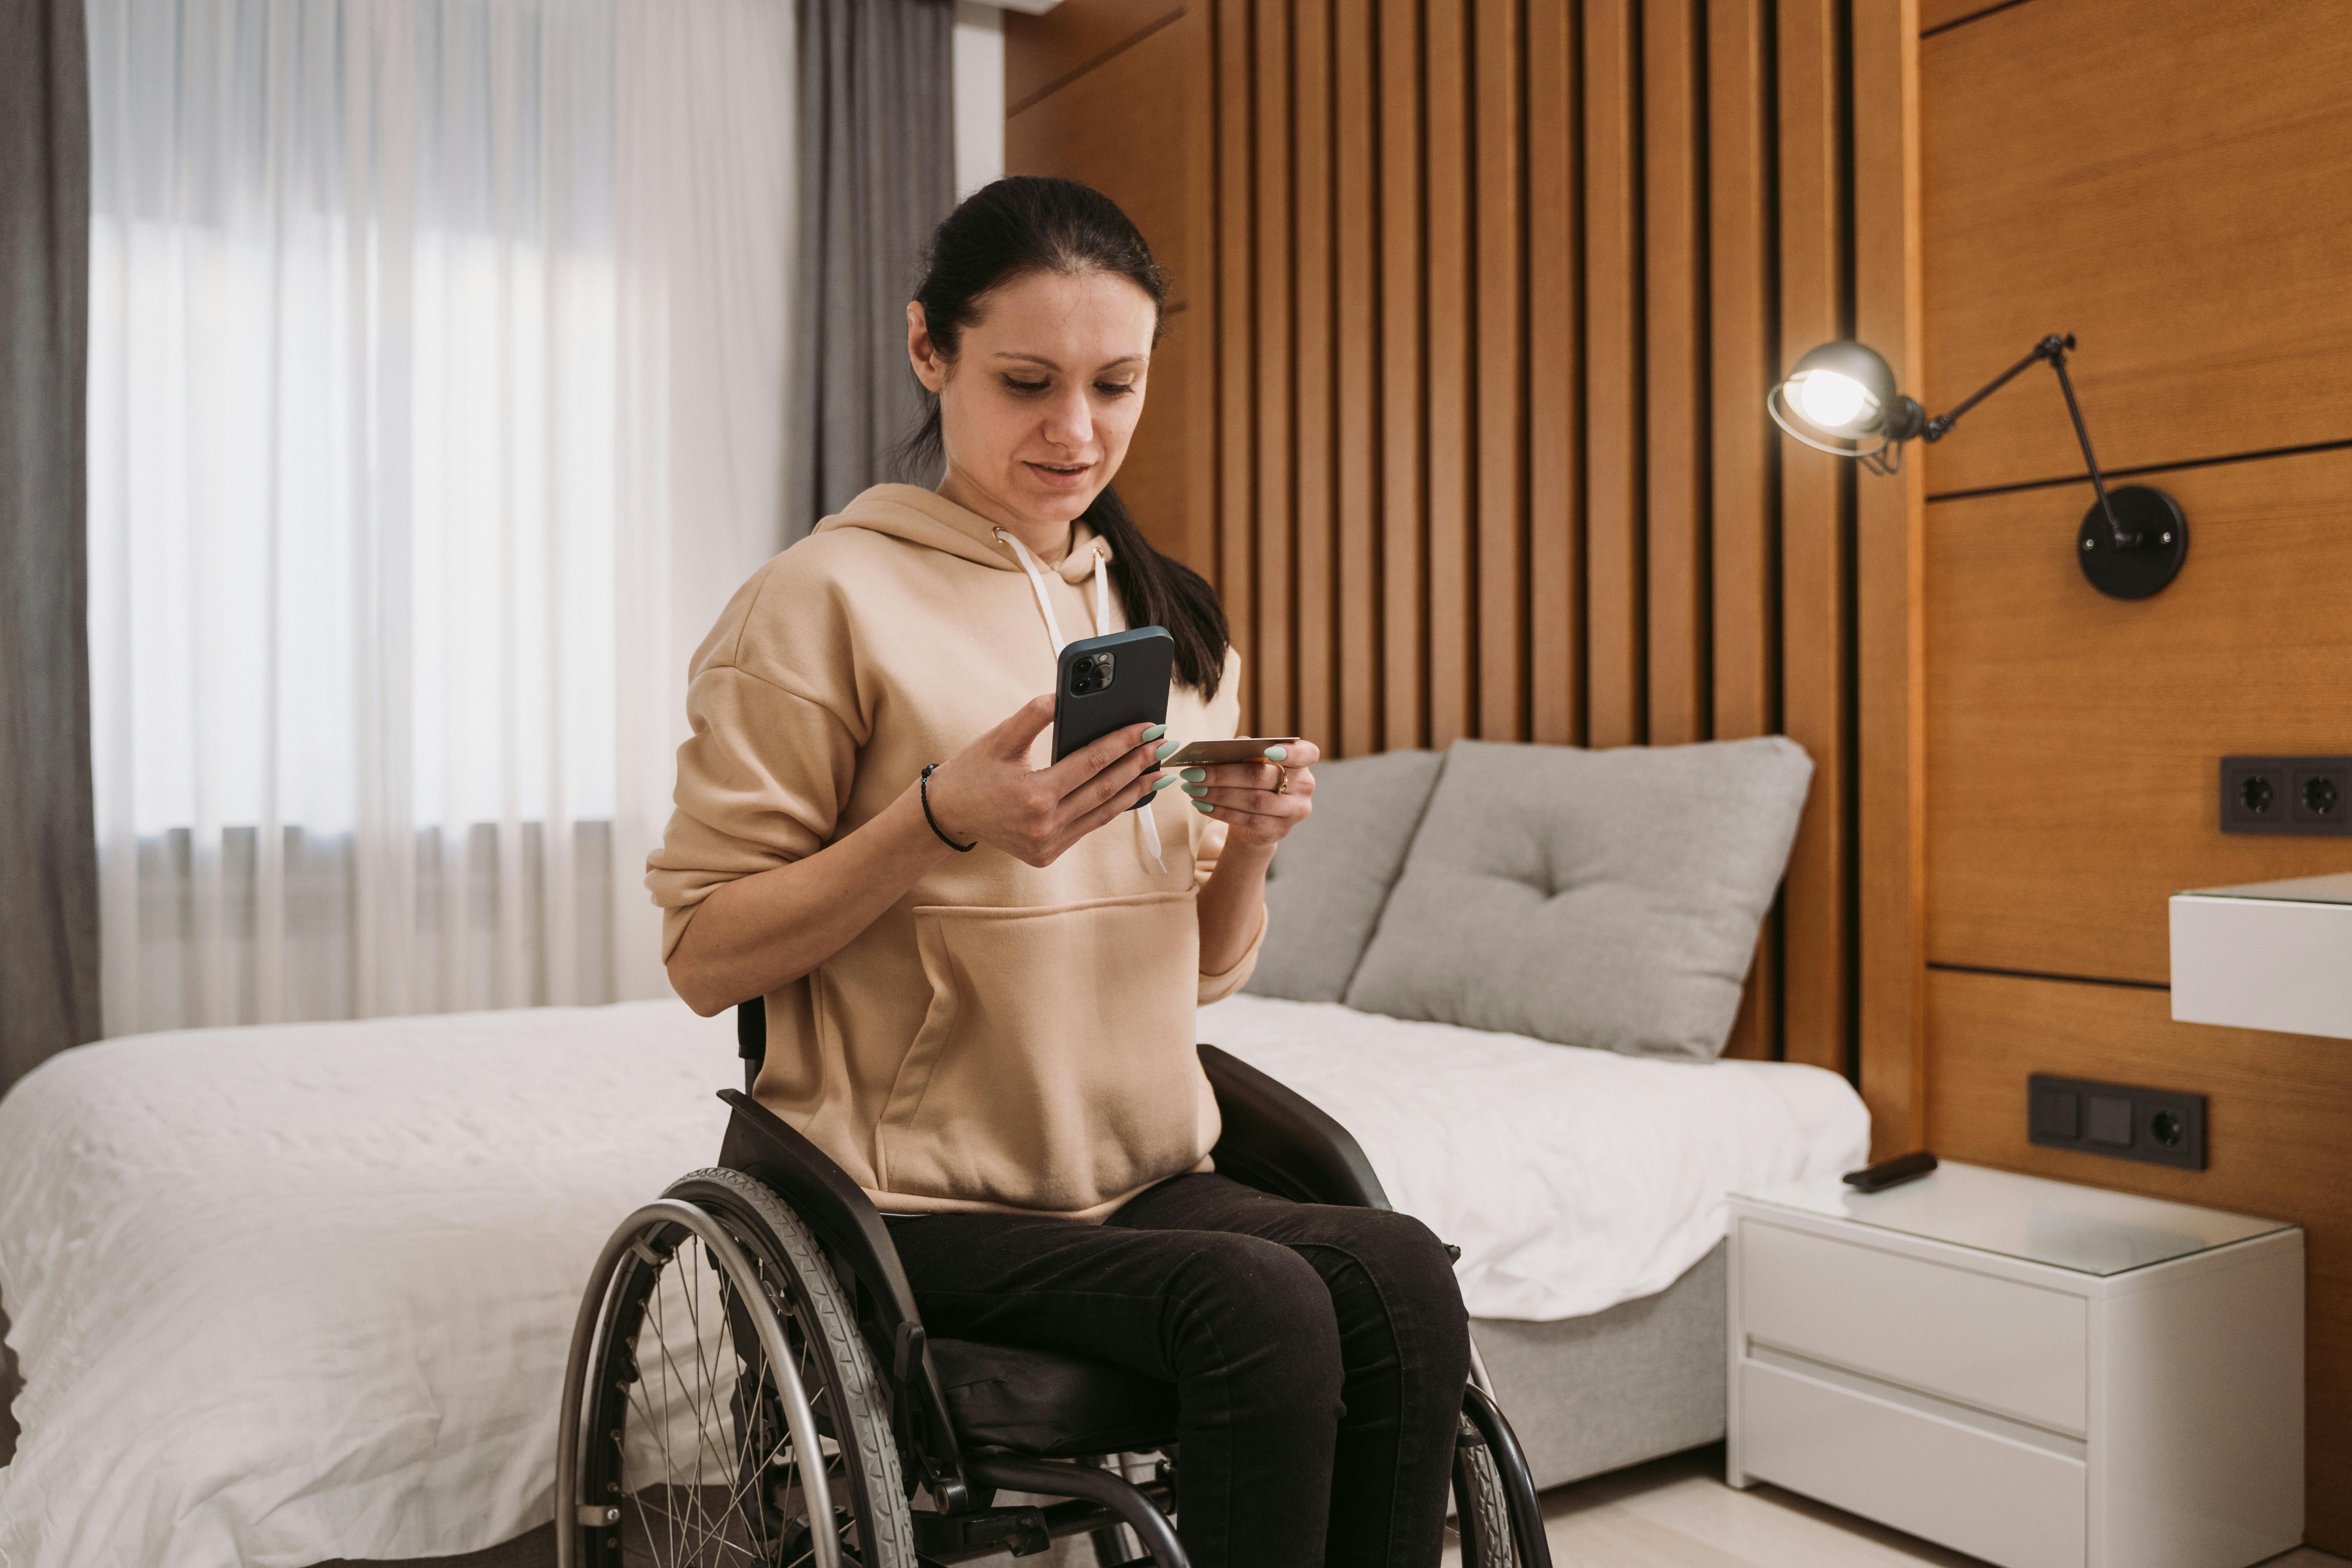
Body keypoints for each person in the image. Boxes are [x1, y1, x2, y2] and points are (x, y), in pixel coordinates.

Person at [646, 175, 1470, 1568]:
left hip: (1142, 1175)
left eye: (1116, 383)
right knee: (1258, 1304)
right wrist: (938, 818)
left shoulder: (1164, 620)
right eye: (1027, 381)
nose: (1075, 431)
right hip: (907, 1198)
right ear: (930, 351)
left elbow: (1202, 968)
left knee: (1397, 1270)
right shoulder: (819, 600)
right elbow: (705, 955)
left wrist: (1250, 845)